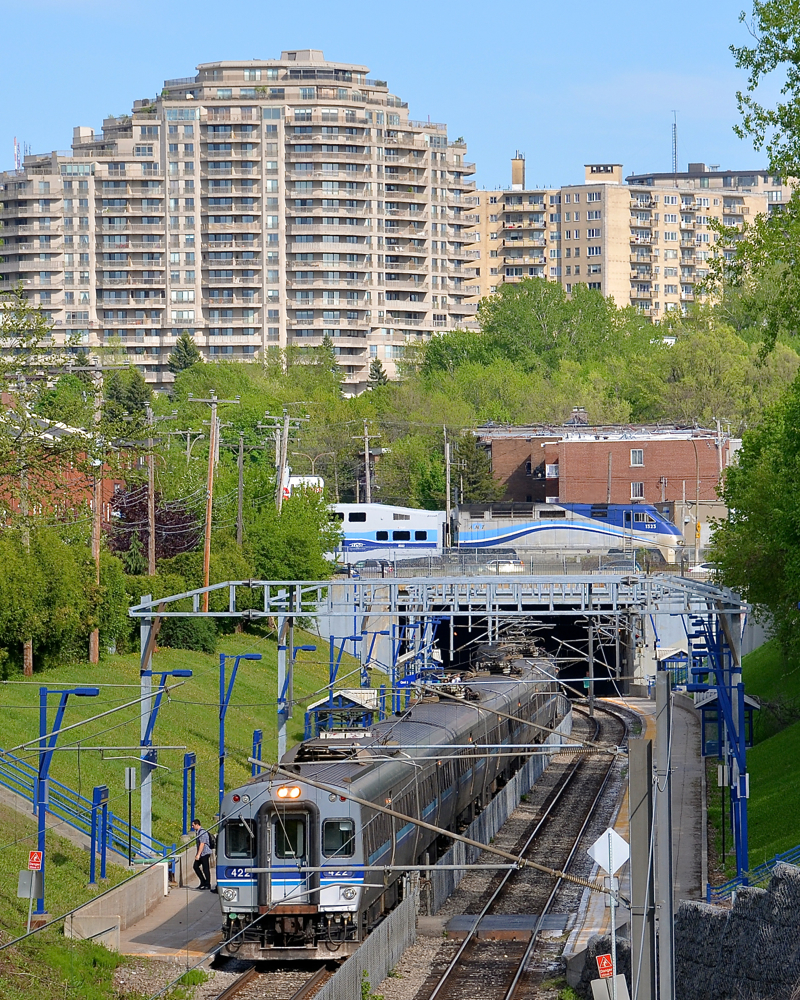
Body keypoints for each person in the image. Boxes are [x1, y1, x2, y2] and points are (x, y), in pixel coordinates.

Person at [191, 818, 212, 890]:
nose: (192, 827)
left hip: (205, 853)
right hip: (201, 853)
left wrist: (198, 854)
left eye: (193, 825)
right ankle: (203, 882)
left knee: (205, 869)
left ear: (197, 825)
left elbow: (202, 844)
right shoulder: (198, 832)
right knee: (195, 866)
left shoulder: (202, 832)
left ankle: (207, 884)